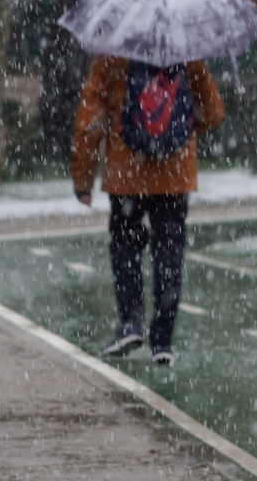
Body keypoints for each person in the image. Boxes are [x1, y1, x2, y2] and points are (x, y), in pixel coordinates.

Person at [71, 55, 225, 364]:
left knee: (125, 247)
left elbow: (90, 121)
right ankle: (163, 340)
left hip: (126, 174)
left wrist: (83, 178)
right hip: (175, 172)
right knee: (169, 253)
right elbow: (214, 111)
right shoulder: (187, 54)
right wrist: (182, 129)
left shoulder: (112, 56)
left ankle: (130, 322)